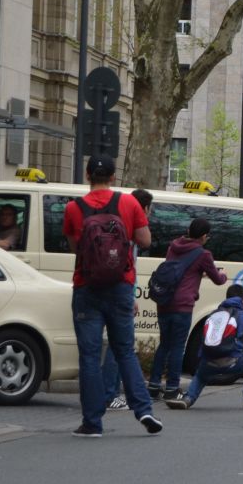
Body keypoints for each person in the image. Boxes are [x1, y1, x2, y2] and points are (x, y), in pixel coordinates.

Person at [63, 155, 162, 438]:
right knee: (125, 351)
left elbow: (76, 248)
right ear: (113, 177)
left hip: (87, 288)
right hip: (121, 286)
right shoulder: (129, 203)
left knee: (90, 357)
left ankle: (92, 423)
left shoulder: (73, 208)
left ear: (87, 175)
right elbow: (144, 240)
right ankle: (144, 410)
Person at [147, 216, 227, 402]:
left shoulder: (173, 246)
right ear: (204, 235)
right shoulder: (203, 254)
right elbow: (217, 279)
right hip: (182, 306)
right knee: (177, 347)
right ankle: (173, 389)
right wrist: (223, 276)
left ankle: (153, 386)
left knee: (165, 344)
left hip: (164, 301)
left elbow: (178, 271)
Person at [167, 283, 243, 410]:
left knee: (201, 375)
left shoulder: (214, 314)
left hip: (208, 363)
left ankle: (188, 398)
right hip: (233, 362)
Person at [103, 189, 154, 411]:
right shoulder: (131, 233)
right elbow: (128, 268)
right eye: (149, 209)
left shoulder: (114, 225)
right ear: (142, 209)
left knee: (110, 345)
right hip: (120, 293)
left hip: (103, 290)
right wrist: (130, 297)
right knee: (119, 346)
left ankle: (111, 393)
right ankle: (110, 395)